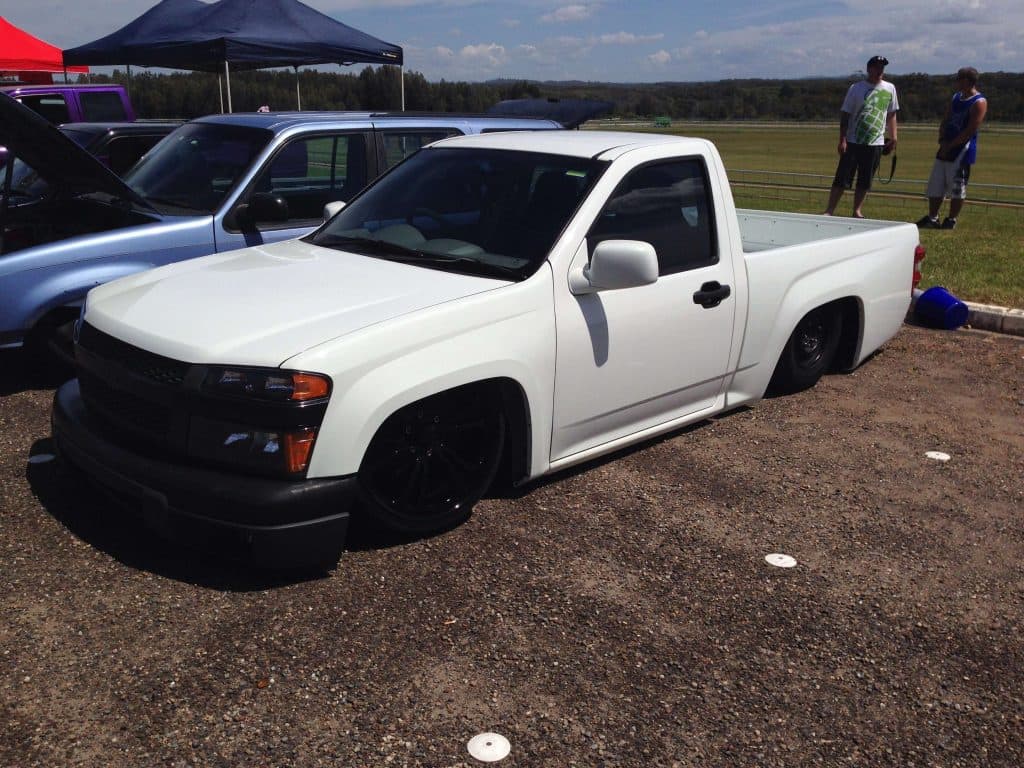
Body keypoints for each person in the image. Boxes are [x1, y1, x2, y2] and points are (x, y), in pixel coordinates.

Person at [824, 56, 899, 218]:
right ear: (869, 69)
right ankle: (830, 210)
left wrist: (893, 137)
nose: (880, 71)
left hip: (876, 142)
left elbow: (892, 114)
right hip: (853, 141)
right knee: (842, 177)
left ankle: (857, 210)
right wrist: (842, 139)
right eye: (876, 67)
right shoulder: (856, 88)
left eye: (882, 68)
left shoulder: (890, 88)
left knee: (865, 179)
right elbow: (845, 114)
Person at [916, 67, 988, 230]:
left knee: (957, 186)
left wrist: (952, 145)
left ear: (967, 81)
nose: (956, 82)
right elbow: (946, 118)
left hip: (962, 151)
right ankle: (932, 217)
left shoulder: (979, 102)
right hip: (945, 147)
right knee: (937, 183)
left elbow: (971, 129)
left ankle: (951, 219)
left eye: (959, 79)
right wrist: (942, 138)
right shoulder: (956, 97)